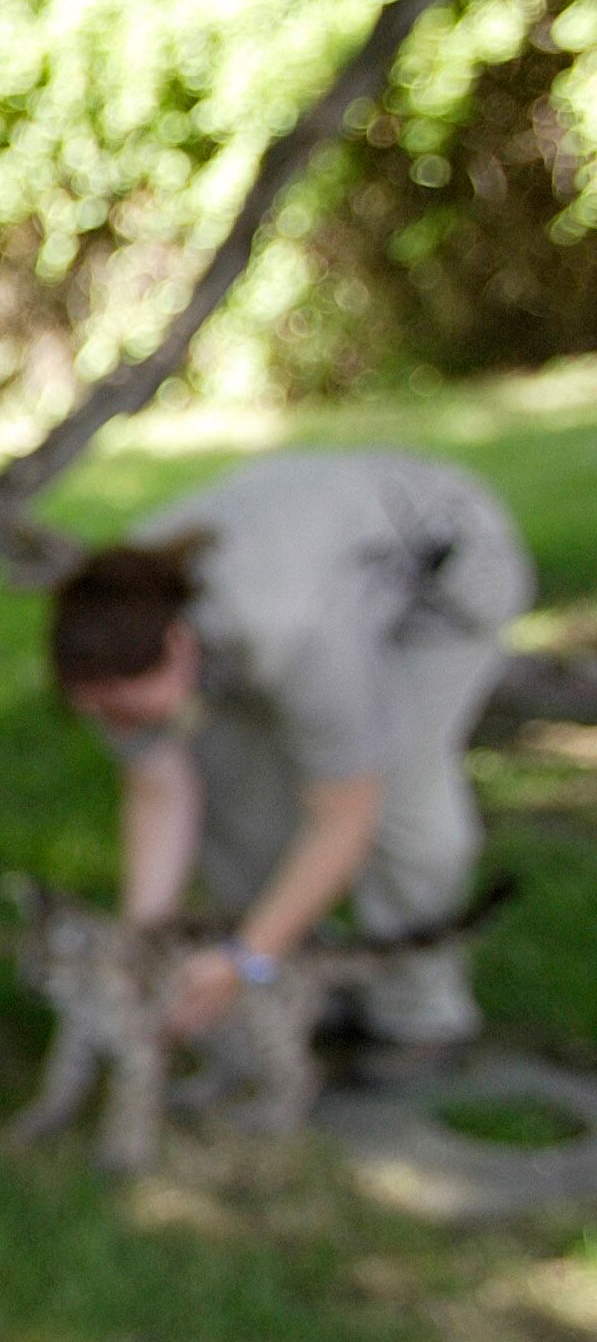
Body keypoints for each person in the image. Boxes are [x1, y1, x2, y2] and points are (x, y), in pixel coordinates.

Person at [46, 448, 532, 1069]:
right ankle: (299, 982)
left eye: (132, 711)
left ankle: (418, 1017)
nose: (121, 725)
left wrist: (247, 958)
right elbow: (159, 791)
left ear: (180, 645)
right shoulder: (105, 632)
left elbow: (345, 815)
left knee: (401, 803)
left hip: (438, 587)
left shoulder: (286, 628)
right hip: (298, 586)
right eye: (106, 714)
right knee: (235, 788)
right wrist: (144, 952)